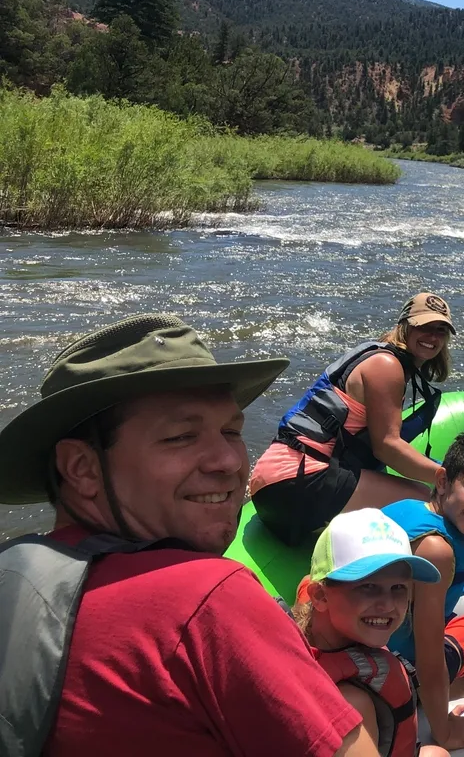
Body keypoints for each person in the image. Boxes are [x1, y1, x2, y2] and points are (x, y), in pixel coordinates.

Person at [0, 313, 380, 757]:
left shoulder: (15, 571)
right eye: (181, 437)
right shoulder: (204, 597)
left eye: (231, 432)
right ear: (82, 469)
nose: (229, 461)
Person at [250, 292, 455, 546]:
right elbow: (387, 447)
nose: (433, 337)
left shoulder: (376, 354)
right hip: (295, 483)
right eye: (424, 326)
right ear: (405, 325)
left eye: (441, 330)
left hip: (272, 482)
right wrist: (449, 477)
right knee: (423, 499)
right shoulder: (386, 365)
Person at [382, 428, 464, 752]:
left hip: (371, 651)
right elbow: (428, 655)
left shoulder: (406, 508)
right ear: (442, 481)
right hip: (396, 672)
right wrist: (443, 731)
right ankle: (447, 696)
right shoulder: (437, 550)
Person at [295, 509, 444, 757]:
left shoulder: (321, 621)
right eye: (368, 586)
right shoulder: (349, 703)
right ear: (320, 596)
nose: (388, 605)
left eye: (398, 587)